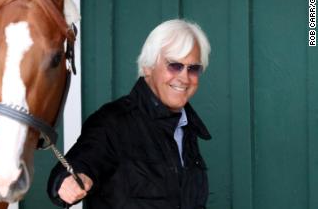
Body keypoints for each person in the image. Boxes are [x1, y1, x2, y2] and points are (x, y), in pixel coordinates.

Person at [47, 19, 212, 209]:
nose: (184, 77)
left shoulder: (186, 128)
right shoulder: (113, 122)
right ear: (147, 67)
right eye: (174, 65)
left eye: (193, 68)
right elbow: (81, 162)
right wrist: (66, 181)